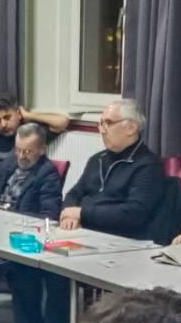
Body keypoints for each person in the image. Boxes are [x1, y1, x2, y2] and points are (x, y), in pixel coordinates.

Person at [0, 124, 71, 323]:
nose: (22, 157)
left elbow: (49, 214)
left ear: (42, 150)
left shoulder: (47, 174)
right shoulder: (10, 162)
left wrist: (14, 219)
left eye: (28, 152)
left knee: (32, 273)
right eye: (18, 150)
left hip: (27, 238)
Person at [59, 97, 174, 240]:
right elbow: (74, 194)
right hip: (84, 232)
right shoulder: (97, 159)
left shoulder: (148, 165)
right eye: (101, 124)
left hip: (119, 239)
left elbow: (134, 214)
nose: (102, 130)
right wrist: (69, 216)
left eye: (108, 123)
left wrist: (81, 213)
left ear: (131, 128)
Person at [0, 96, 70, 198]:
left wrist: (29, 115)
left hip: (10, 196)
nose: (3, 124)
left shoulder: (28, 135)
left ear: (18, 114)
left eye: (7, 117)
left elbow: (62, 122)